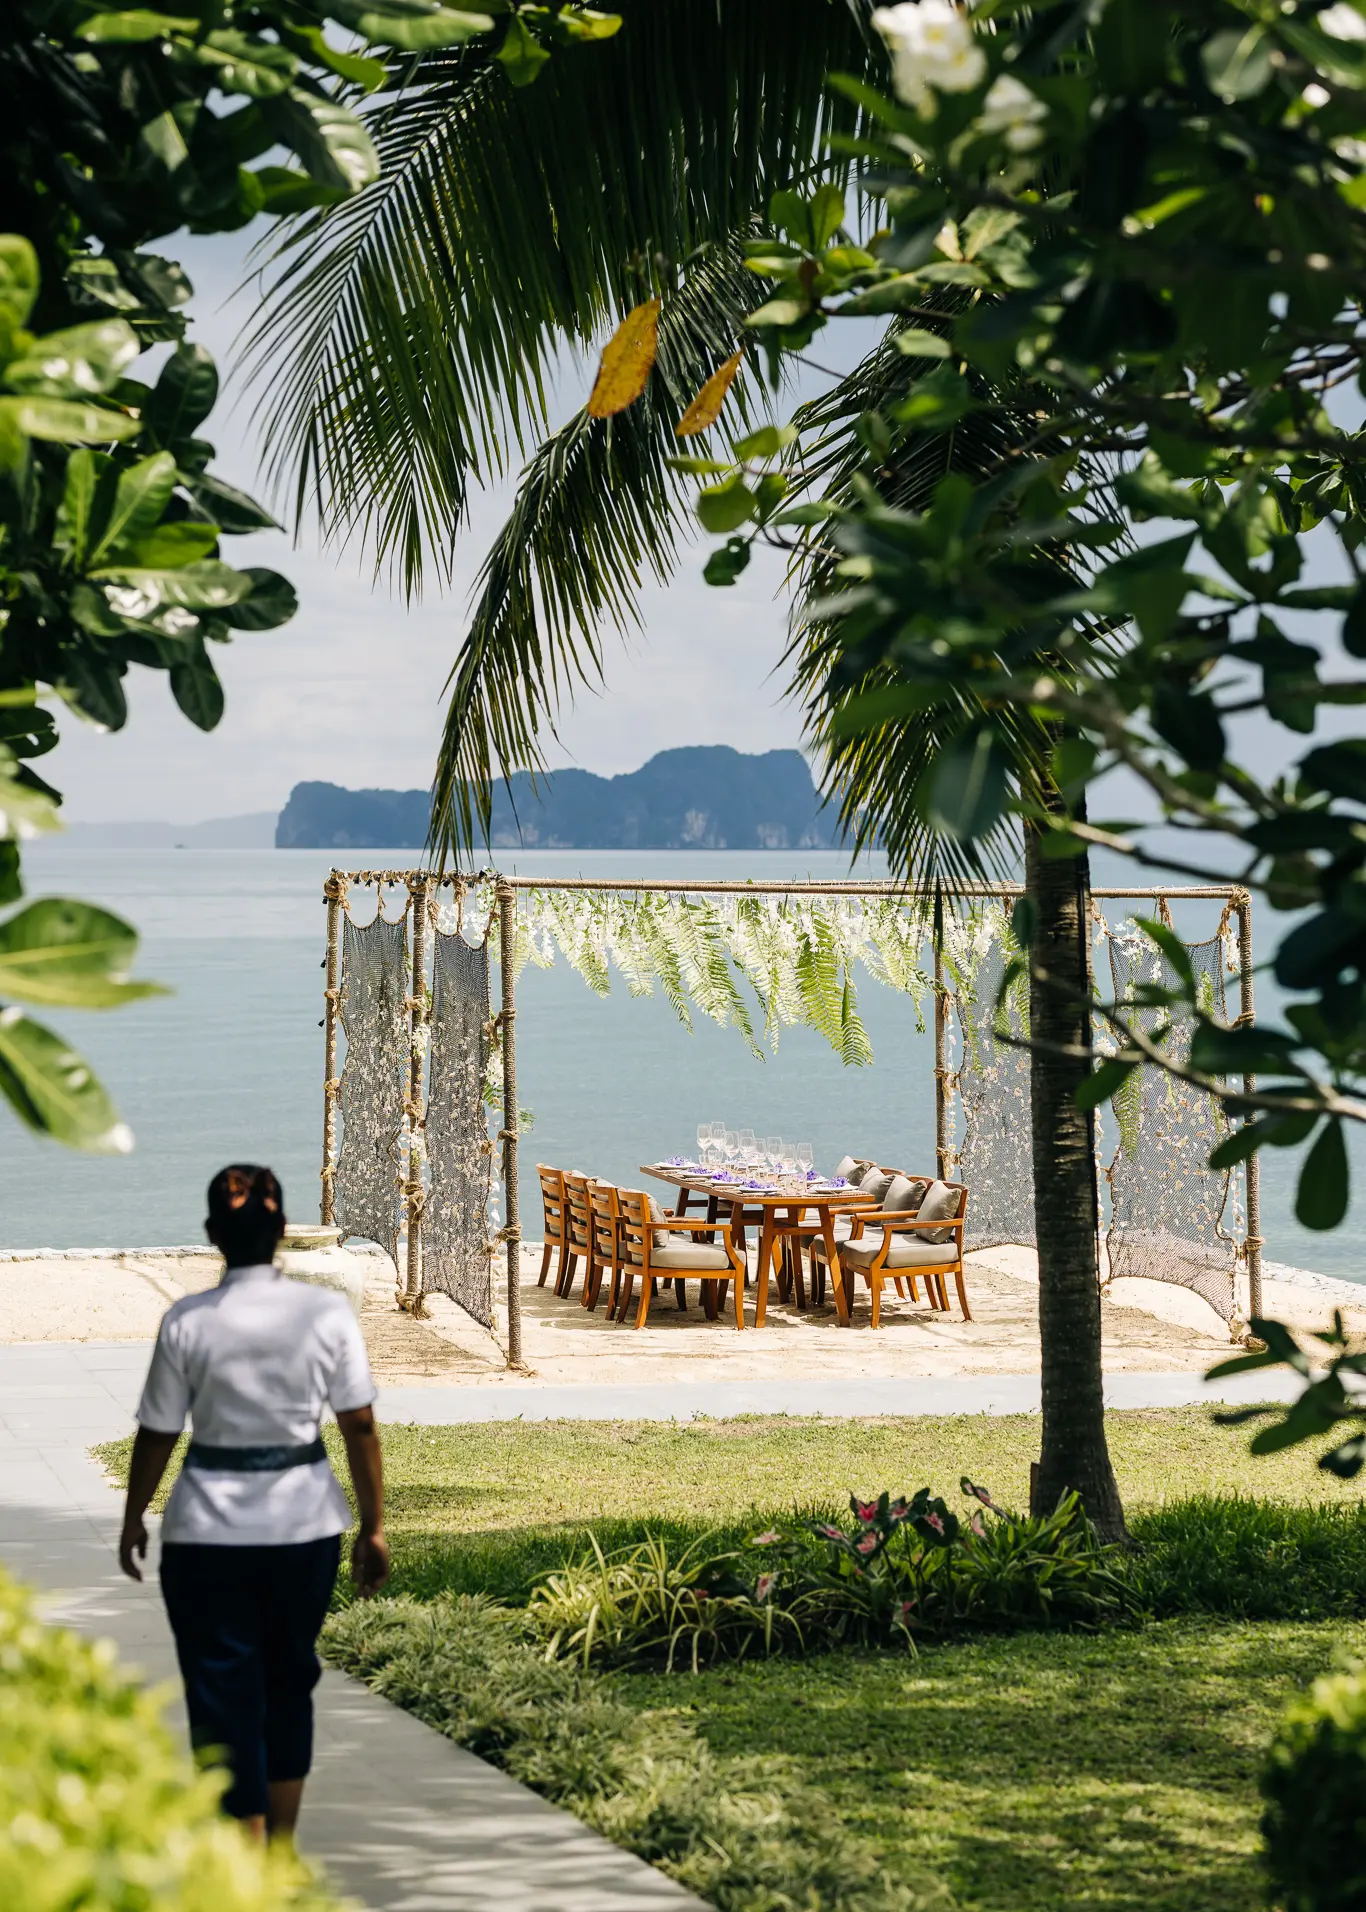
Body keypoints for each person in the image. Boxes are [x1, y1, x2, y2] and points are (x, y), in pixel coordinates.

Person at [119, 1164, 389, 1846]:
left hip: (205, 1534)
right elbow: (359, 1425)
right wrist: (374, 1527)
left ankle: (242, 1853)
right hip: (303, 1530)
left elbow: (158, 1432)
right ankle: (279, 1853)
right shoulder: (325, 1313)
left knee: (219, 1693)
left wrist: (132, 1518)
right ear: (280, 1232)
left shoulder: (186, 1321)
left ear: (213, 1235)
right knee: (286, 1680)